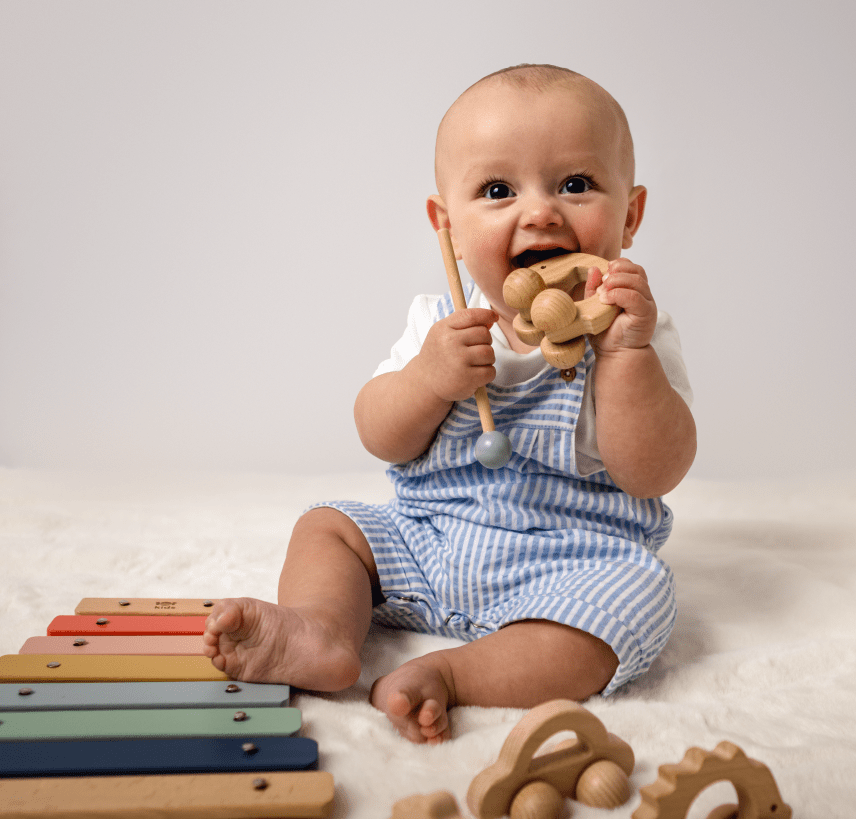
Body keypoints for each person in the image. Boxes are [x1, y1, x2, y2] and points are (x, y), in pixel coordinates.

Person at [203, 63, 697, 744]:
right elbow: (380, 433)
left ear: (631, 215)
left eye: (575, 184)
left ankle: (457, 674)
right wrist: (429, 380)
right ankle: (321, 629)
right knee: (328, 526)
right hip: (430, 541)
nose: (541, 211)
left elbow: (654, 471)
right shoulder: (439, 322)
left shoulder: (635, 331)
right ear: (449, 228)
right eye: (498, 190)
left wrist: (625, 358)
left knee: (640, 596)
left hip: (571, 562)